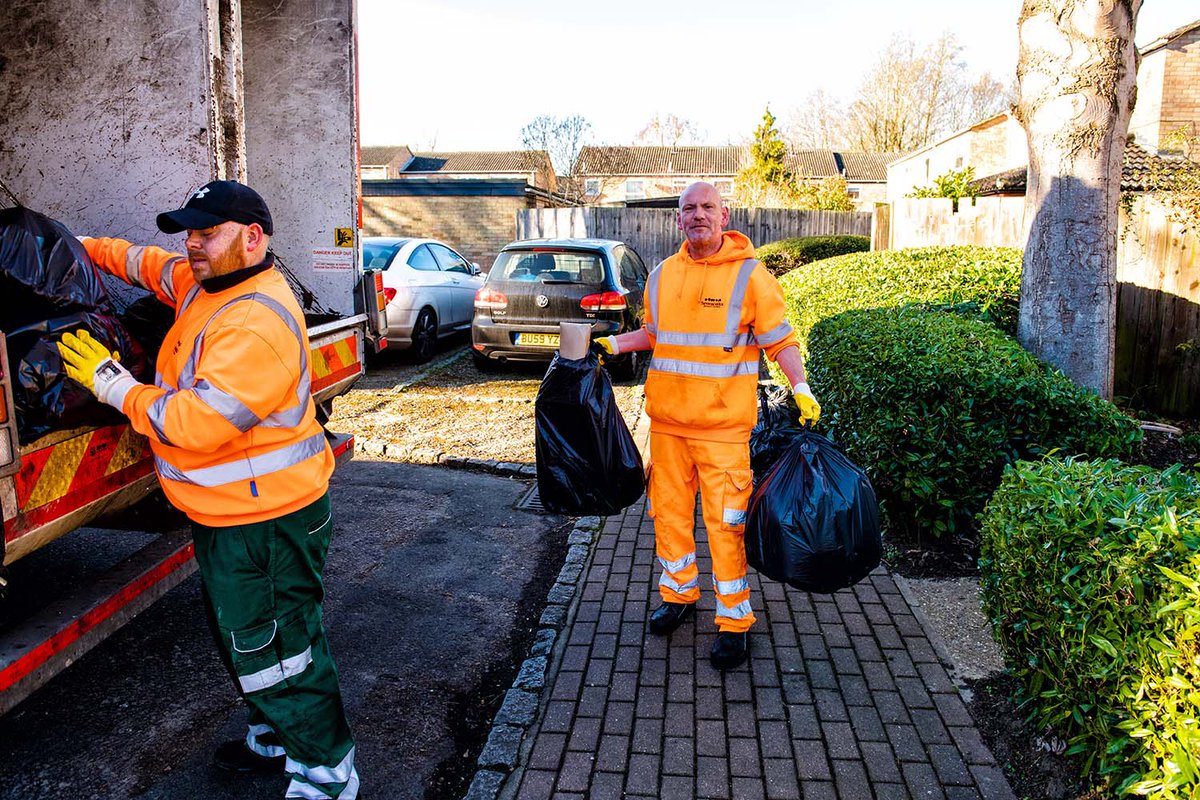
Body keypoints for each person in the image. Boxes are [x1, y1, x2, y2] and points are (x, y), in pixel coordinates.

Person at [57, 180, 359, 800]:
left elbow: (194, 424)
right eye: (189, 232)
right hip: (235, 517)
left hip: (267, 523)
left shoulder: (255, 323)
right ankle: (276, 739)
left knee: (283, 651)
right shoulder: (206, 284)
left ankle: (327, 776)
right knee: (252, 641)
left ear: (253, 238)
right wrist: (71, 246)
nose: (192, 245)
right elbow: (144, 263)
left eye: (207, 232)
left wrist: (111, 384)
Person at [593, 181, 820, 671]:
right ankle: (679, 594)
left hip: (723, 431)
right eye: (689, 209)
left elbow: (780, 340)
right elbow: (654, 334)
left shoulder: (750, 277)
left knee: (726, 526)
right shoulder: (661, 276)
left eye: (707, 208)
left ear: (724, 214)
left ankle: (734, 621)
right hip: (668, 427)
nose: (698, 216)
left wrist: (799, 384)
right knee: (669, 518)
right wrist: (613, 345)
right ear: (678, 219)